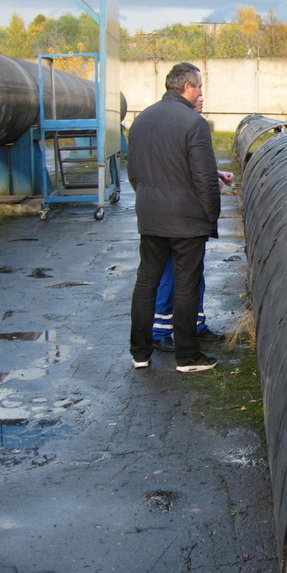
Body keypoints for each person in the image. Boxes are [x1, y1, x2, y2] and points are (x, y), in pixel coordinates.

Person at [127, 62, 222, 373]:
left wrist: (148, 200)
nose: (201, 92)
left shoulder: (141, 120)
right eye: (200, 86)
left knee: (146, 283)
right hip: (186, 221)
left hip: (150, 216)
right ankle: (187, 357)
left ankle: (140, 353)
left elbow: (134, 172)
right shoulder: (194, 123)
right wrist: (211, 217)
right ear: (187, 88)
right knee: (186, 285)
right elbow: (204, 178)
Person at [151, 91, 233, 351]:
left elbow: (193, 166)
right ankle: (160, 330)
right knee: (172, 274)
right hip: (176, 215)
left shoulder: (190, 125)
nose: (201, 98)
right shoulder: (178, 126)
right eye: (198, 92)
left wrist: (215, 174)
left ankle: (195, 325)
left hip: (186, 213)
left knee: (193, 274)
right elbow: (176, 169)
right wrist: (210, 209)